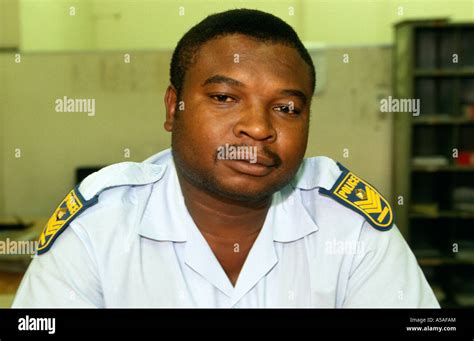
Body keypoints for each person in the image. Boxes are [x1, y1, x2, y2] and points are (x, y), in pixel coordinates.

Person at [12, 9, 439, 308]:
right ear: (172, 108)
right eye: (223, 97)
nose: (257, 127)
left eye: (287, 107)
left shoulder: (351, 228)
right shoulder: (96, 231)